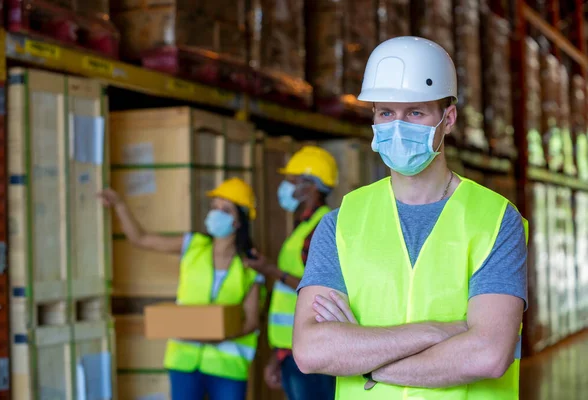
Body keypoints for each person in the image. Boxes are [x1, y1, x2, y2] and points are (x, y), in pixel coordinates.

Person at [292, 36, 529, 399]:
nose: (397, 126)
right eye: (386, 113)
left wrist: (364, 361)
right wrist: (438, 332)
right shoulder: (342, 223)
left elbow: (488, 355)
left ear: (447, 120)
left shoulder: (496, 220)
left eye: (415, 112)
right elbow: (311, 351)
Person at [98, 178, 264, 400]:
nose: (216, 214)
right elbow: (141, 238)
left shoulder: (250, 265)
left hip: (227, 367)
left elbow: (252, 321)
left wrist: (222, 335)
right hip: (184, 361)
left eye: (225, 209)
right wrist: (119, 204)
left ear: (238, 220)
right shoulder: (193, 245)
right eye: (214, 207)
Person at [244, 146, 338, 400]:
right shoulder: (304, 225)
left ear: (311, 187)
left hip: (312, 350)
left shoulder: (320, 228)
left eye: (291, 181)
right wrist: (278, 357)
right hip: (293, 350)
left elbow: (320, 289)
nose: (284, 188)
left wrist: (269, 270)